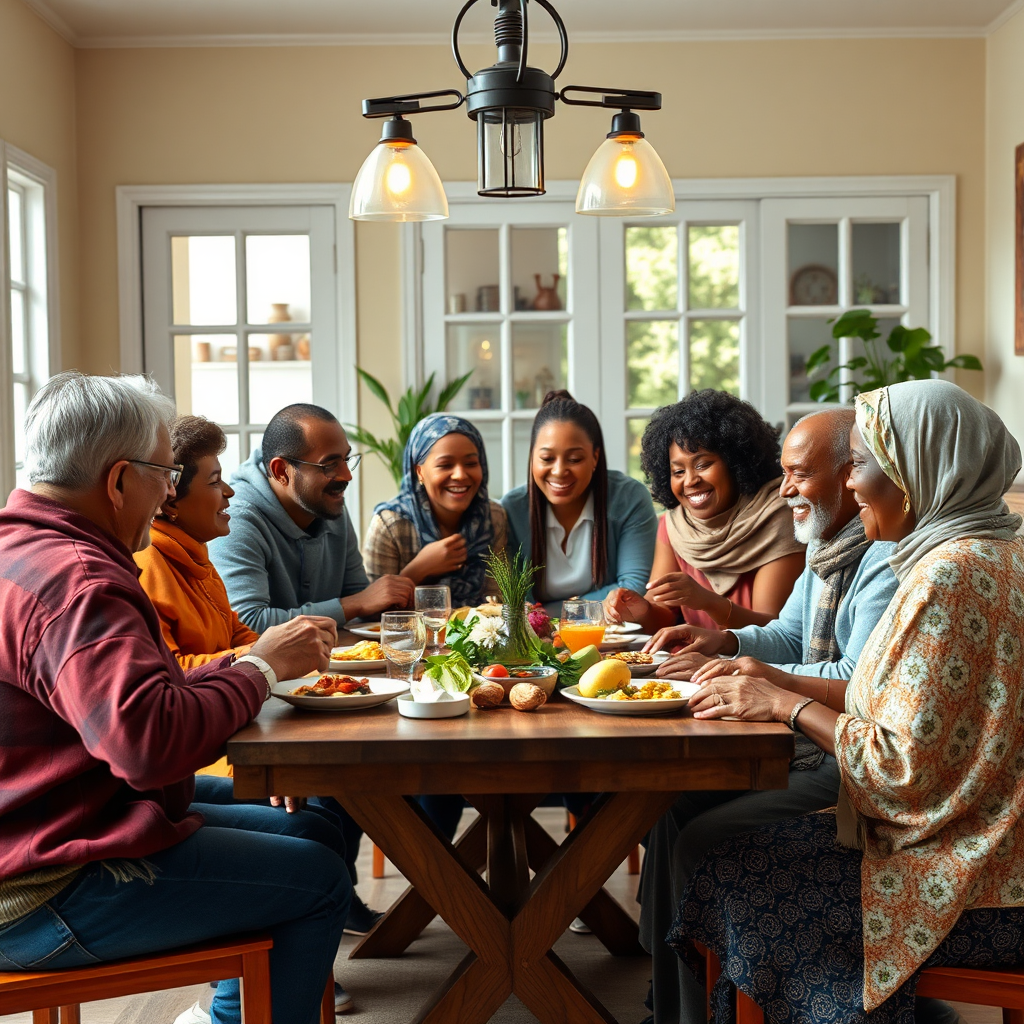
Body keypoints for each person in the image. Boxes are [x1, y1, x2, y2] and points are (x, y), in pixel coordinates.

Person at [667, 380, 1024, 1024]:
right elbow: (891, 705)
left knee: (726, 867)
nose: (852, 482)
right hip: (994, 839)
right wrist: (740, 653)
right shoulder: (993, 550)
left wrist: (783, 703)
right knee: (702, 836)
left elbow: (896, 769)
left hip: (969, 873)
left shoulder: (945, 574)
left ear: (921, 467)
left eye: (861, 463)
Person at [0, 372, 348, 1024]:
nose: (168, 493)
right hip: (41, 889)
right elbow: (149, 745)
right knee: (318, 878)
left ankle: (237, 1008)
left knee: (315, 829)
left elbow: (136, 698)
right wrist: (260, 674)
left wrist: (252, 662)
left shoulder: (25, 549)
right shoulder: (78, 581)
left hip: (63, 822)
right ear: (118, 479)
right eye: (164, 472)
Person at [635, 408, 899, 1024]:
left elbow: (859, 684)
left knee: (697, 832)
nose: (784, 491)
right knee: (668, 806)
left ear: (849, 474)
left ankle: (703, 1007)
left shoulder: (882, 557)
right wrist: (724, 646)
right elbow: (785, 635)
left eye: (799, 475)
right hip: (810, 736)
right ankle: (675, 997)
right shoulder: (828, 544)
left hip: (848, 756)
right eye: (783, 474)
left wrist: (766, 684)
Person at [133, 414, 357, 1016]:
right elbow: (173, 675)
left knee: (321, 830)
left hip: (222, 735)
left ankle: (273, 984)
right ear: (168, 499)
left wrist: (269, 650)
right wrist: (263, 656)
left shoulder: (199, 559)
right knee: (317, 858)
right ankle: (236, 1009)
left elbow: (234, 639)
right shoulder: (152, 564)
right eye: (214, 480)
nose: (230, 490)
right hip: (201, 749)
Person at [209, 402, 415, 934]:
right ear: (281, 470)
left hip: (326, 683)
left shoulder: (329, 503)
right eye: (329, 464)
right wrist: (354, 607)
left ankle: (335, 898)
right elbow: (251, 622)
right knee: (331, 778)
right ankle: (314, 910)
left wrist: (357, 604)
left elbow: (355, 591)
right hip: (257, 692)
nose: (344, 475)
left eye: (347, 460)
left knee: (378, 759)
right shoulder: (238, 517)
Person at [604, 390, 805, 632]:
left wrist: (707, 601)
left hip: (757, 666)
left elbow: (776, 635)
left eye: (703, 465)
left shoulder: (777, 518)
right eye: (678, 471)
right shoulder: (675, 525)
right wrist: (640, 611)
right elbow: (664, 616)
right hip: (697, 664)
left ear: (736, 462)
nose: (690, 481)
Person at [501, 390, 658, 614]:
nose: (559, 471)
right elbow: (518, 604)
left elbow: (632, 591)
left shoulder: (628, 498)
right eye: (546, 458)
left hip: (613, 638)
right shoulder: (512, 509)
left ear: (595, 457)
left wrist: (553, 612)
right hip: (538, 641)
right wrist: (591, 606)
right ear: (532, 457)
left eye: (574, 459)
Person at [364, 413, 508, 605]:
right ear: (419, 472)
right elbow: (372, 614)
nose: (460, 475)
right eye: (445, 465)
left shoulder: (492, 517)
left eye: (471, 463)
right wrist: (419, 569)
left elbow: (498, 599)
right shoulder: (390, 525)